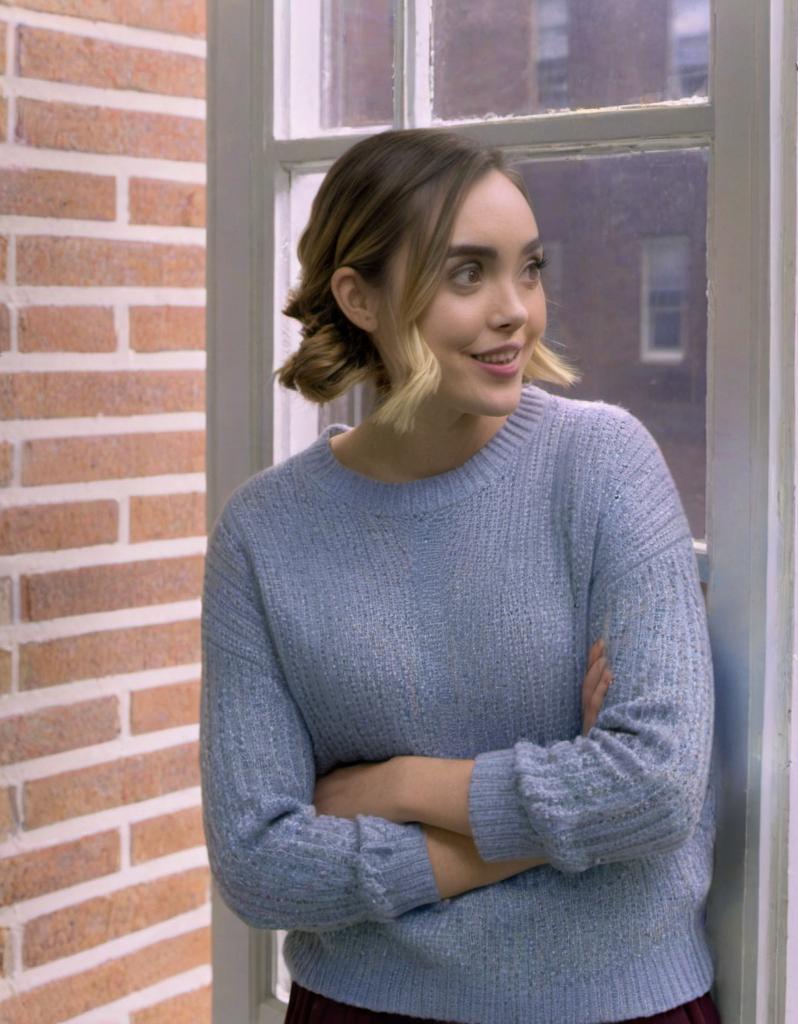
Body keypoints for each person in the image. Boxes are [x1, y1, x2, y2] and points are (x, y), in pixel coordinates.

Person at [200, 126, 721, 1024]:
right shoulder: (263, 533)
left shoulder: (602, 465)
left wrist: (398, 786)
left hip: (618, 1008)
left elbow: (655, 788)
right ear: (359, 296)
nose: (516, 308)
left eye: (530, 267)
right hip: (360, 1010)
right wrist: (555, 827)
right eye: (467, 273)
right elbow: (259, 867)